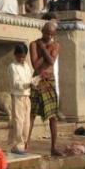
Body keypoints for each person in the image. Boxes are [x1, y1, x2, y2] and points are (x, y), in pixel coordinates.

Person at [28, 22, 62, 156]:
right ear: (42, 31)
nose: (48, 36)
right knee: (31, 114)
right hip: (37, 81)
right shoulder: (34, 44)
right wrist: (44, 49)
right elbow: (36, 65)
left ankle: (54, 147)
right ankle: (26, 144)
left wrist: (44, 49)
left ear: (54, 34)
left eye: (51, 34)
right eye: (46, 32)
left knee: (53, 116)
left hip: (49, 81)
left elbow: (52, 61)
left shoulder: (57, 45)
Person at [8, 43, 33, 155]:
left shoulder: (27, 66)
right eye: (19, 56)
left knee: (26, 122)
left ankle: (24, 143)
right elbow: (15, 83)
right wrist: (28, 84)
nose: (21, 58)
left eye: (23, 56)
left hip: (27, 96)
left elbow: (30, 79)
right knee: (18, 121)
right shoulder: (12, 66)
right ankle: (16, 145)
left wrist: (36, 81)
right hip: (17, 96)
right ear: (15, 55)